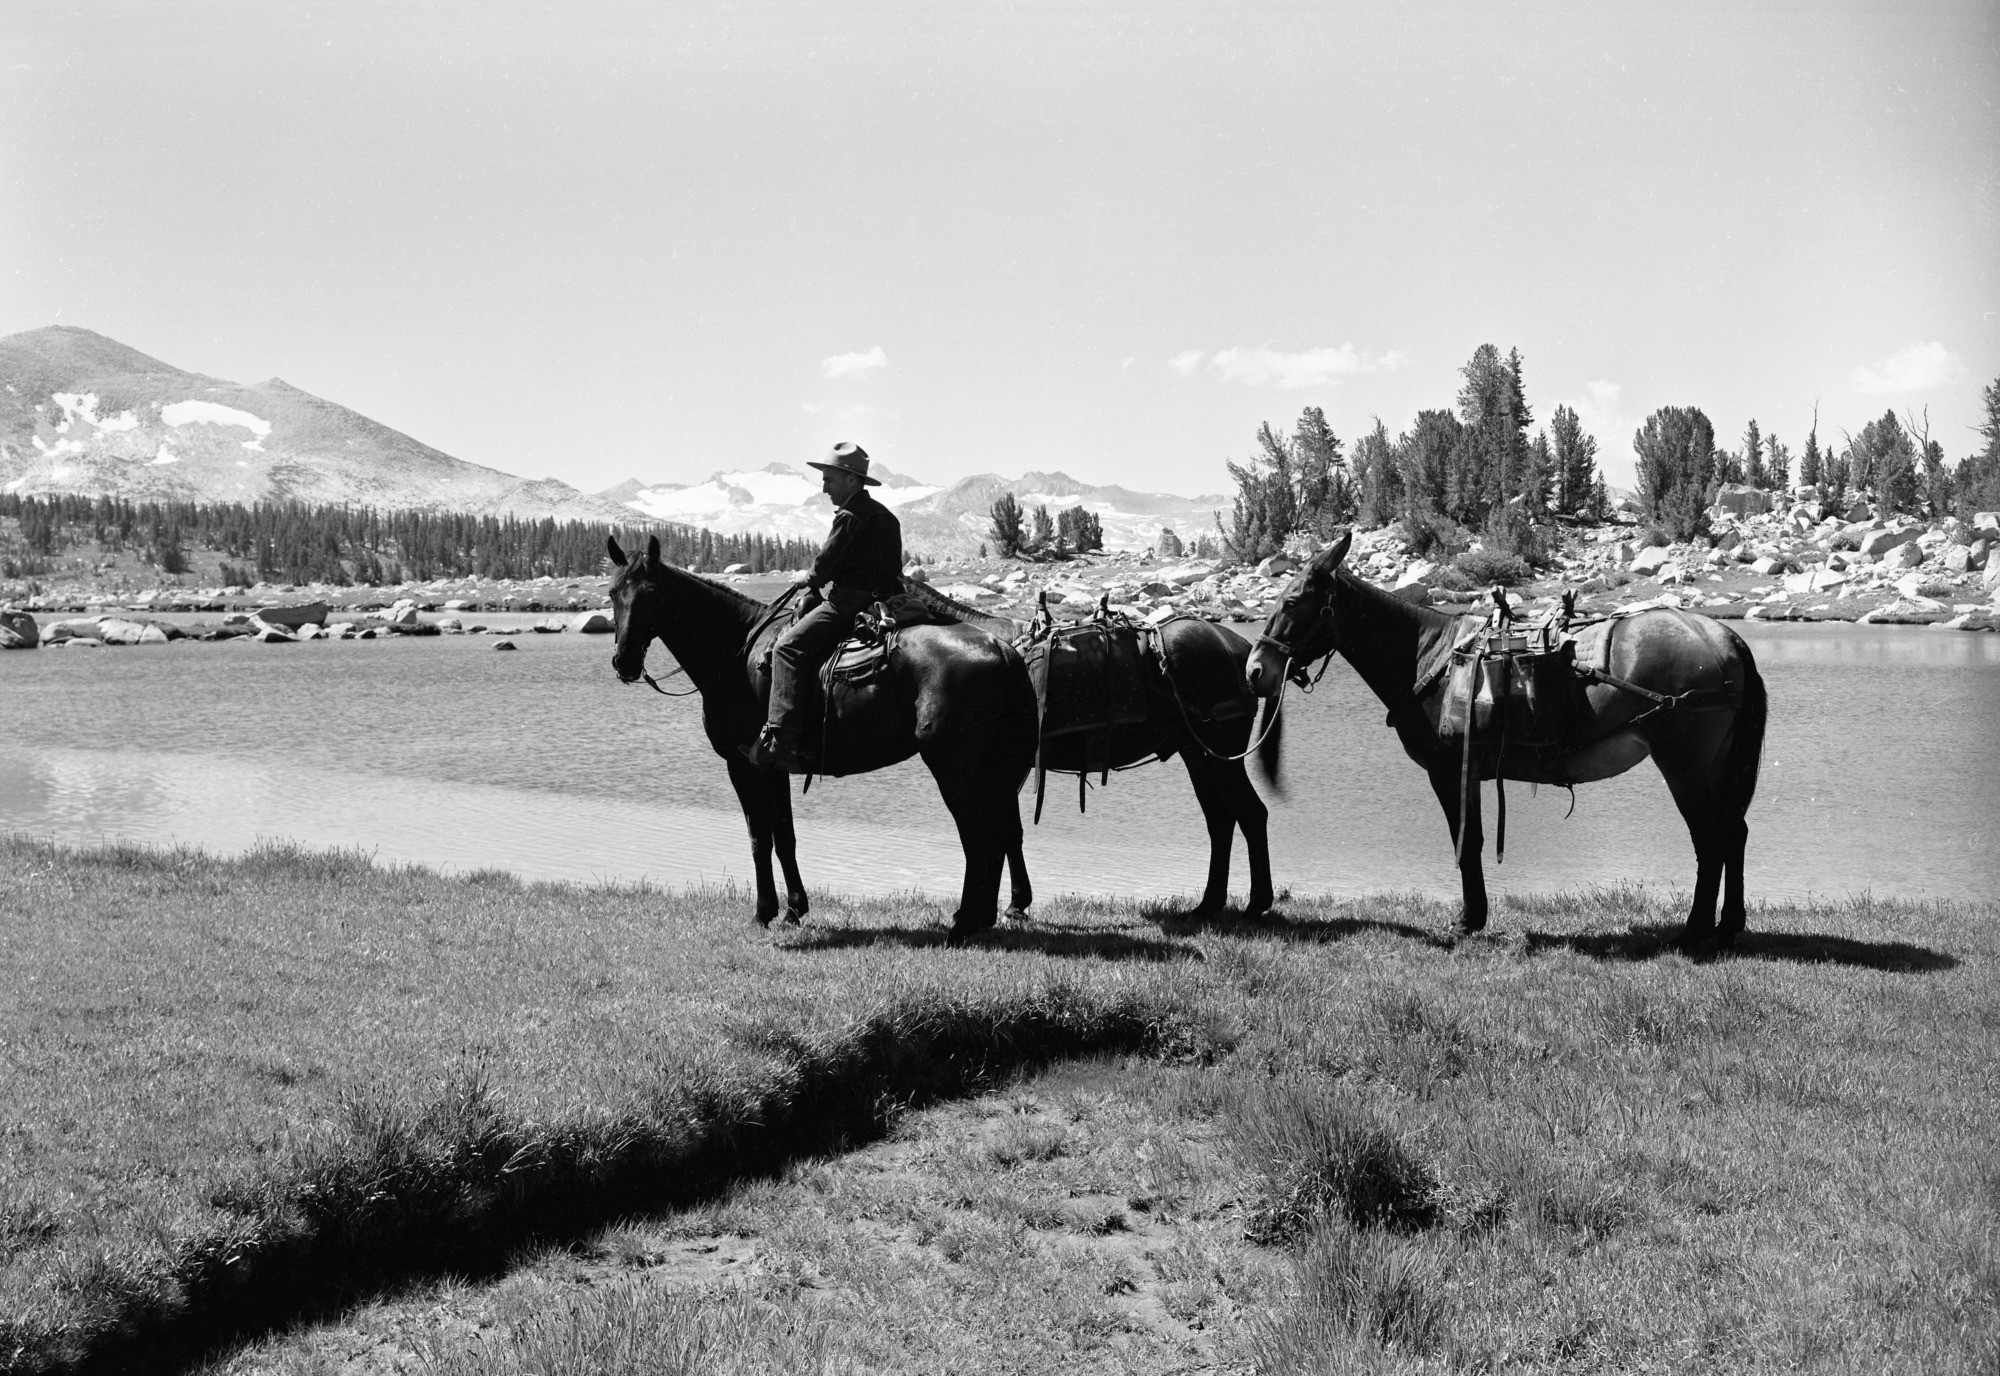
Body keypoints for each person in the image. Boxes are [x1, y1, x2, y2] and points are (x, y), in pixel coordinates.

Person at [751, 442, 904, 769]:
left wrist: (805, 577)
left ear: (851, 480)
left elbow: (824, 569)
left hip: (850, 601)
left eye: (829, 480)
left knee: (787, 648)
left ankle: (783, 739)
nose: (824, 488)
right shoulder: (887, 516)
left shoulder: (849, 515)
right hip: (887, 600)